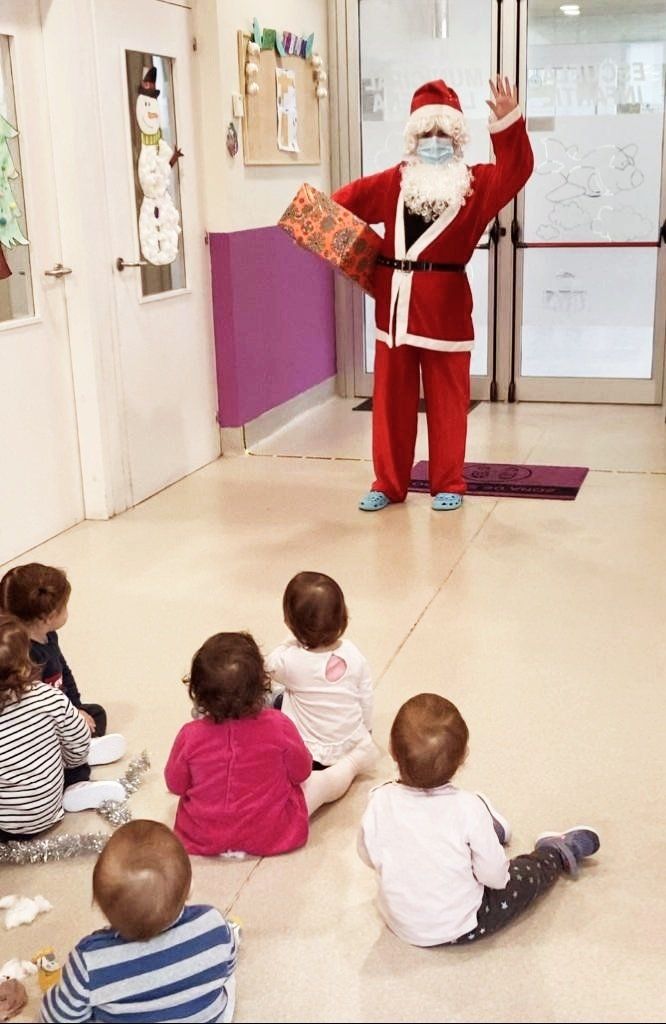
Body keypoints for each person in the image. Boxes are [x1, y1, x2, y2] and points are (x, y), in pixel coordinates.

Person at [332, 77, 534, 512]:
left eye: (444, 133)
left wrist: (509, 126)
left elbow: (516, 170)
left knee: (447, 403)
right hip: (395, 313)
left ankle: (448, 483)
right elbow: (342, 203)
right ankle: (389, 483)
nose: (436, 141)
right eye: (428, 132)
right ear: (414, 137)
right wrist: (352, 250)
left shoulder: (476, 184)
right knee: (390, 403)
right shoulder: (394, 182)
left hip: (446, 313)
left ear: (458, 137)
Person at [358, 693, 600, 947]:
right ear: (463, 757)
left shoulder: (378, 799)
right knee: (525, 877)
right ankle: (557, 852)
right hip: (462, 926)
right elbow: (495, 877)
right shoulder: (467, 808)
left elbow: (367, 855)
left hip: (400, 922)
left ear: (392, 749)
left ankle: (485, 837)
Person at [165, 632, 377, 857]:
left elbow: (175, 784)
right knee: (322, 782)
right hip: (272, 831)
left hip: (202, 835)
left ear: (197, 692)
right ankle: (356, 761)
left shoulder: (189, 735)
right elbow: (302, 772)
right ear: (262, 685)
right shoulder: (278, 724)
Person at [40, 819, 238, 1023]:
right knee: (225, 979)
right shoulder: (213, 925)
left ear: (100, 907)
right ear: (190, 889)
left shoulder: (89, 961)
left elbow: (57, 1017)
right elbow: (229, 967)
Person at [0, 563, 126, 798]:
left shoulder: (49, 636)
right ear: (48, 617)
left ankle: (81, 749)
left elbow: (64, 673)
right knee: (54, 746)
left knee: (96, 713)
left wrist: (76, 707)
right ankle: (75, 783)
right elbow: (28, 713)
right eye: (65, 607)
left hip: (58, 710)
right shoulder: (23, 655)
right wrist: (70, 721)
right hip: (39, 726)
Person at [0, 614, 125, 842]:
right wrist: (73, 760)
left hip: (8, 827)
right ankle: (78, 777)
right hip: (51, 803)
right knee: (75, 731)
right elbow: (78, 739)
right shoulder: (49, 695)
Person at [266, 571, 375, 771]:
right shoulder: (352, 652)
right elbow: (366, 695)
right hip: (351, 744)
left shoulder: (292, 661)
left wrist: (291, 640)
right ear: (343, 618)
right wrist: (366, 731)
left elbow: (268, 665)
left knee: (275, 699)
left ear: (289, 623)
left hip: (310, 753)